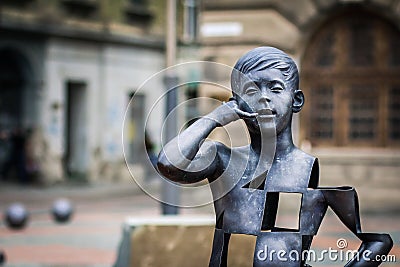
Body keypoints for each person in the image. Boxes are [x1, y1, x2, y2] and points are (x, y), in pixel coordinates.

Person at [157, 47, 392, 266]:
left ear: (296, 100)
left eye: (275, 88)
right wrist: (216, 117)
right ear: (235, 102)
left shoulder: (304, 166)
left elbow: (378, 242)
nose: (263, 98)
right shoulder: (222, 158)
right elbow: (168, 163)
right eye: (250, 90)